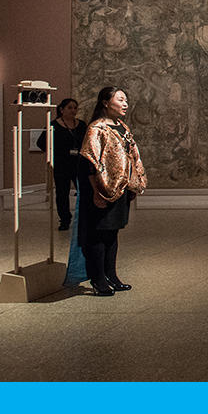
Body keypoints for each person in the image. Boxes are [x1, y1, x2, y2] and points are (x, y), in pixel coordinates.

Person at [78, 86, 148, 296]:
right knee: (99, 234)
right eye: (120, 99)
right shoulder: (96, 129)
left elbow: (131, 156)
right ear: (106, 103)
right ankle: (98, 279)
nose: (125, 103)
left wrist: (134, 183)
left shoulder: (122, 127)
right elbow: (89, 163)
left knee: (112, 233)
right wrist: (96, 192)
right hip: (102, 188)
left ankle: (112, 275)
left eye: (126, 99)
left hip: (120, 188)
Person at [36, 98, 86, 230]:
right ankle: (64, 219)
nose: (73, 110)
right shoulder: (53, 126)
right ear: (61, 109)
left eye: (75, 108)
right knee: (62, 193)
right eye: (69, 108)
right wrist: (55, 153)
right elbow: (41, 143)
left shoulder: (81, 125)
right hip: (61, 165)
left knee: (83, 191)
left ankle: (83, 217)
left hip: (78, 164)